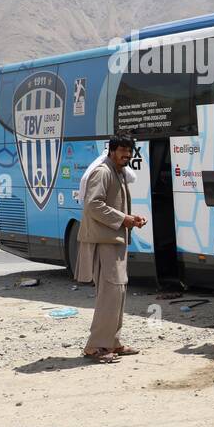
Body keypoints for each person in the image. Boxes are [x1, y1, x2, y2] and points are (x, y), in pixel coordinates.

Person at [77, 136, 145, 363]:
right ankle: (95, 346)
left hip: (114, 240)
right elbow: (93, 204)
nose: (127, 155)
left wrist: (131, 219)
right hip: (103, 242)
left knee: (118, 293)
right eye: (123, 151)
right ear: (112, 150)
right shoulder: (103, 172)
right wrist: (123, 219)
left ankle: (112, 342)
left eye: (130, 152)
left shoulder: (118, 171)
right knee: (109, 294)